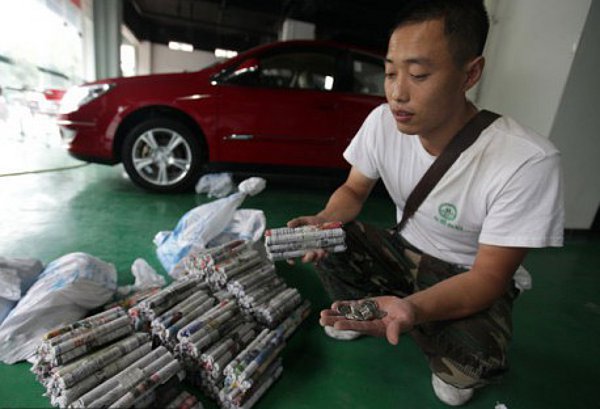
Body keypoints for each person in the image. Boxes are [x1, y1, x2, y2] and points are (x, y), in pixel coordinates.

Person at [287, 0, 564, 406]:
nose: (397, 93)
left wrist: (412, 310)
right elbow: (353, 191)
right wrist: (324, 219)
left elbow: (488, 278)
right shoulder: (382, 122)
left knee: (471, 366)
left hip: (465, 274)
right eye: (390, 73)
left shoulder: (526, 160)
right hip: (402, 248)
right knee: (333, 237)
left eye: (418, 75)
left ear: (470, 73)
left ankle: (410, 310)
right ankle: (385, 307)